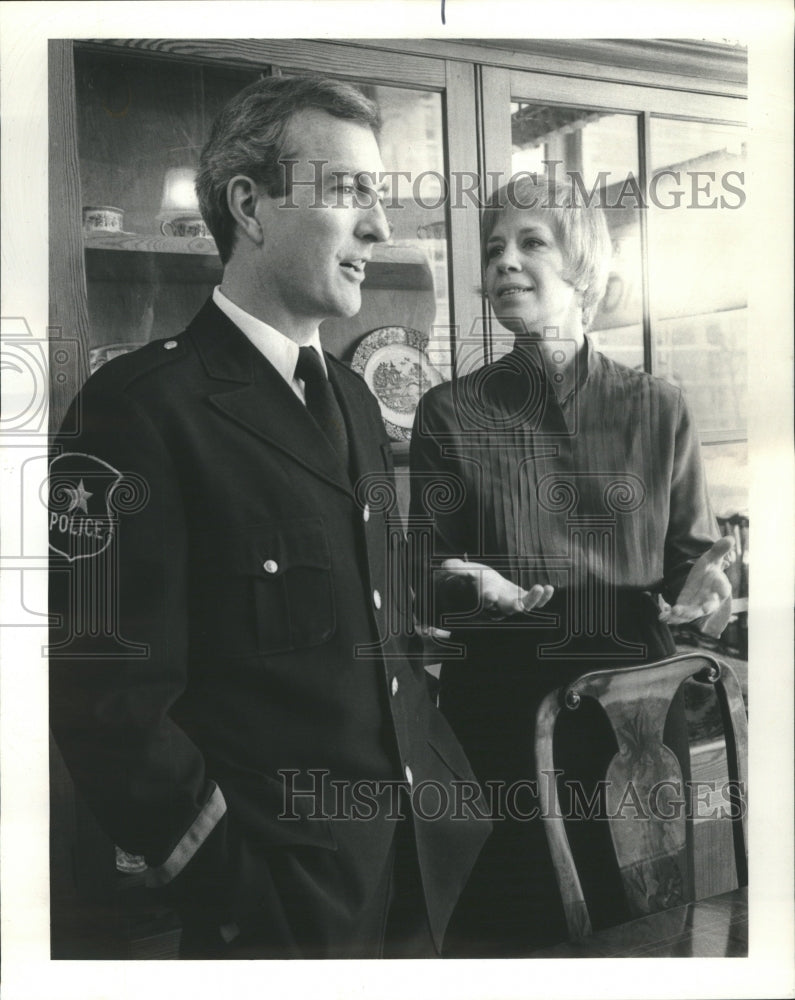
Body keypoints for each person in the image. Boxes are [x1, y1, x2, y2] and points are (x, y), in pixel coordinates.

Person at [48, 76, 491, 960]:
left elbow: (371, 626)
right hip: (279, 912)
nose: (379, 227)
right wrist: (237, 889)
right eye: (350, 193)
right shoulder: (136, 410)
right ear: (249, 204)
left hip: (416, 872)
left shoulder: (360, 403)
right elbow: (107, 699)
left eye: (381, 197)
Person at [409, 173, 735, 956]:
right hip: (499, 722)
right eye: (493, 249)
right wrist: (468, 585)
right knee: (508, 939)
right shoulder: (447, 412)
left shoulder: (660, 406)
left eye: (530, 242)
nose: (504, 263)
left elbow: (690, 565)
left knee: (648, 930)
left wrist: (707, 589)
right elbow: (423, 576)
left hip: (636, 725)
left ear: (581, 267)